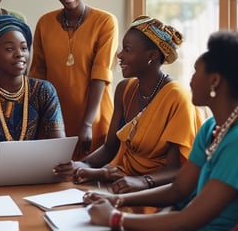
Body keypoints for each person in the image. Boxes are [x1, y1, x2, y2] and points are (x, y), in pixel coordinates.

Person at [85, 30, 238, 230]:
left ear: (214, 81)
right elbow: (179, 189)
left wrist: (115, 219)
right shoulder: (212, 128)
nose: (190, 80)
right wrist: (117, 200)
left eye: (196, 72)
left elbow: (190, 219)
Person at [73, 16, 203, 194]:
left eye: (127, 50)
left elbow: (177, 169)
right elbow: (110, 148)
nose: (119, 55)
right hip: (121, 182)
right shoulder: (125, 89)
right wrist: (81, 165)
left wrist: (142, 181)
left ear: (151, 56)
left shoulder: (177, 98)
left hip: (158, 191)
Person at [29, 0, 118, 159]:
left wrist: (87, 123)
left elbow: (101, 75)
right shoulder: (45, 23)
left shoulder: (105, 22)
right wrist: (35, 121)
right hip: (54, 119)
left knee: (89, 180)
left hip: (94, 117)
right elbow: (37, 75)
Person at [0, 15, 71, 179]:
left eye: (24, 48)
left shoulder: (44, 91)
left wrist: (64, 164)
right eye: (10, 49)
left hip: (36, 176)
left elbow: (59, 146)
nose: (20, 54)